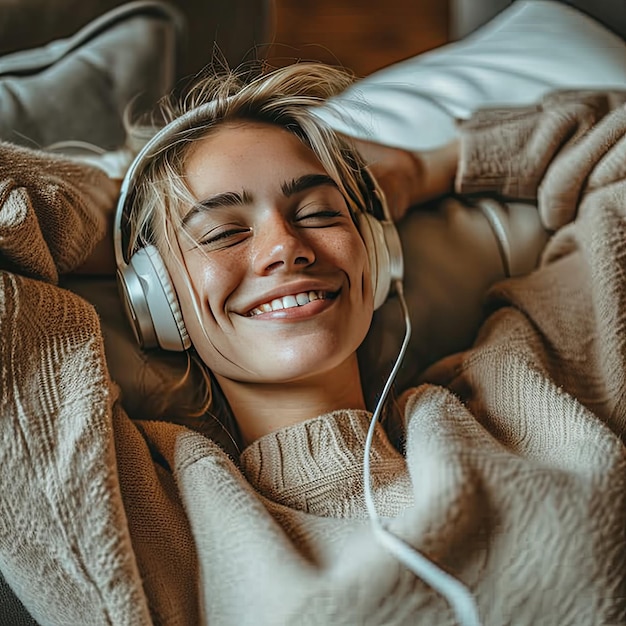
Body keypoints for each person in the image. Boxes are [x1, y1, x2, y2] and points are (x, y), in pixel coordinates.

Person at [1, 55, 625, 626]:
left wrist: (422, 166)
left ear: (377, 256)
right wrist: (121, 205)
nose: (285, 247)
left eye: (319, 213)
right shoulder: (141, 517)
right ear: (157, 301)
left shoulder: (524, 390)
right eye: (221, 233)